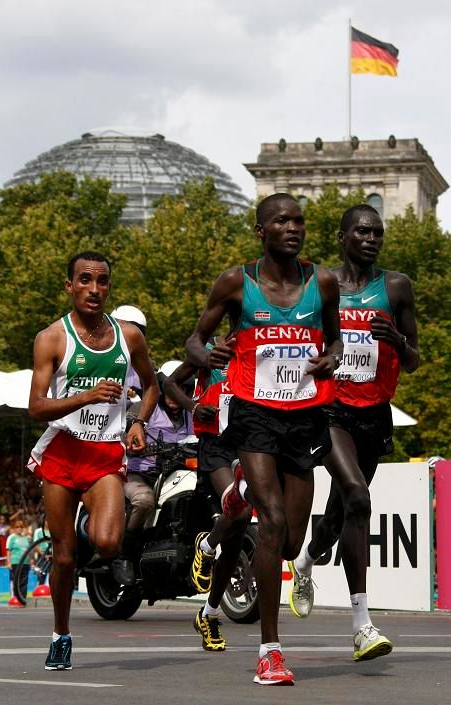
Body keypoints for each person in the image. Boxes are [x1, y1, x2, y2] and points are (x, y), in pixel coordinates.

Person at [185, 193, 342, 685]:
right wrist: (209, 352)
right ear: (261, 231)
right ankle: (270, 652)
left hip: (305, 415)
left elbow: (335, 338)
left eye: (298, 221)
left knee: (292, 539)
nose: (293, 228)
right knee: (271, 520)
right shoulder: (237, 282)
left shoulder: (324, 282)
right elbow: (194, 338)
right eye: (281, 221)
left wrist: (332, 356)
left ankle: (236, 496)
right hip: (254, 413)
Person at [289, 204, 420, 661]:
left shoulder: (397, 286)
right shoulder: (320, 287)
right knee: (358, 496)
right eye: (362, 231)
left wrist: (396, 341)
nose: (372, 238)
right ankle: (362, 625)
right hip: (330, 410)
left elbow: (415, 359)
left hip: (375, 412)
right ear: (342, 237)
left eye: (378, 233)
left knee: (342, 511)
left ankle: (307, 559)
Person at [27, 251, 159, 671]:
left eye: (102, 281)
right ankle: (61, 634)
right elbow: (36, 407)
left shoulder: (129, 337)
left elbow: (153, 385)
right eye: (84, 280)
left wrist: (137, 422)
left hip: (104, 452)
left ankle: (90, 524)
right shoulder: (52, 338)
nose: (94, 289)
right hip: (63, 452)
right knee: (64, 558)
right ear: (70, 286)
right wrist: (85, 396)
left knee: (107, 542)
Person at [164, 340, 252, 652]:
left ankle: (209, 613)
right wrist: (194, 407)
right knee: (239, 510)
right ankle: (206, 544)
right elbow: (171, 383)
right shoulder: (210, 349)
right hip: (215, 444)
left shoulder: (262, 343)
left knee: (237, 535)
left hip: (250, 444)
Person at [111, 360, 194, 585]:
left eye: (184, 389)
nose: (176, 394)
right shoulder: (142, 410)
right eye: (171, 388)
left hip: (177, 475)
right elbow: (122, 437)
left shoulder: (193, 415)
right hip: (140, 475)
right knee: (144, 500)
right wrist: (137, 444)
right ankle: (124, 557)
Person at [6, 519, 30, 604]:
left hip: (26, 563)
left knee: (24, 581)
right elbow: (8, 551)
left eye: (21, 527)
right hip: (15, 562)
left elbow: (29, 550)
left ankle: (23, 599)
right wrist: (8, 563)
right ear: (14, 528)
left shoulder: (26, 538)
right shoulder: (12, 537)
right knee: (15, 580)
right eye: (17, 527)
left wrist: (31, 561)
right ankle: (14, 598)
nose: (19, 528)